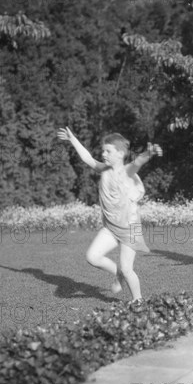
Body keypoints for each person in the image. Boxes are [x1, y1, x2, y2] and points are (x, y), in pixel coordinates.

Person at [56, 126, 162, 302]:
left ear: (120, 154)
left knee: (128, 269)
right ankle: (117, 273)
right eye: (103, 151)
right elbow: (87, 158)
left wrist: (148, 153)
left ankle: (138, 300)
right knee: (92, 257)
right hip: (111, 228)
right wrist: (72, 139)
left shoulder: (127, 171)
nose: (103, 154)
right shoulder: (103, 169)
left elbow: (137, 163)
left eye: (108, 151)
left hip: (130, 229)